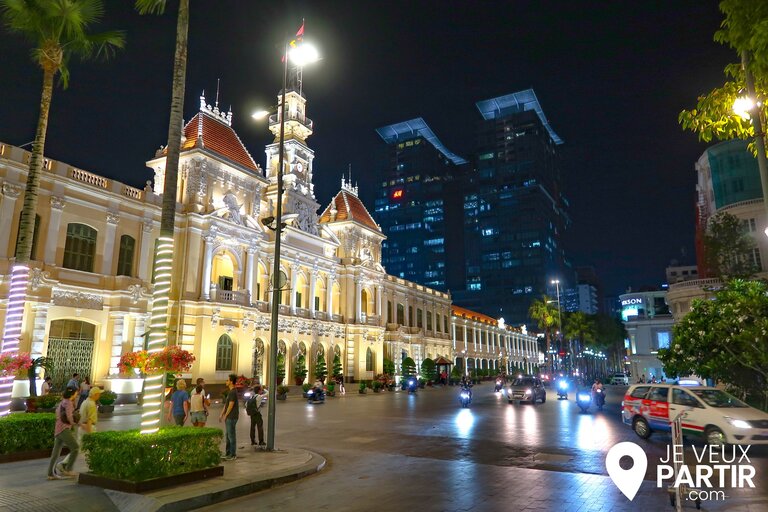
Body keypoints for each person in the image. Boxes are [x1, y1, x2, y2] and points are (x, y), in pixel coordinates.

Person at [47, 388, 80, 480]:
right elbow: (69, 416)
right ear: (72, 394)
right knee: (75, 447)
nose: (76, 395)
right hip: (64, 429)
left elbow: (57, 415)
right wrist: (74, 423)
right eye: (76, 393)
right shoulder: (69, 403)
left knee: (55, 453)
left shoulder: (62, 403)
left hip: (58, 429)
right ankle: (68, 469)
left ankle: (50, 474)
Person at [219, 374, 239, 460]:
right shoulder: (230, 392)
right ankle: (228, 453)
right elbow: (226, 405)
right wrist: (221, 414)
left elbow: (231, 405)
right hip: (229, 417)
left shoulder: (233, 392)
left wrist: (225, 415)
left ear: (231, 382)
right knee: (228, 435)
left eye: (227, 380)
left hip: (232, 417)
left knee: (231, 436)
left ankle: (233, 454)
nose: (226, 382)